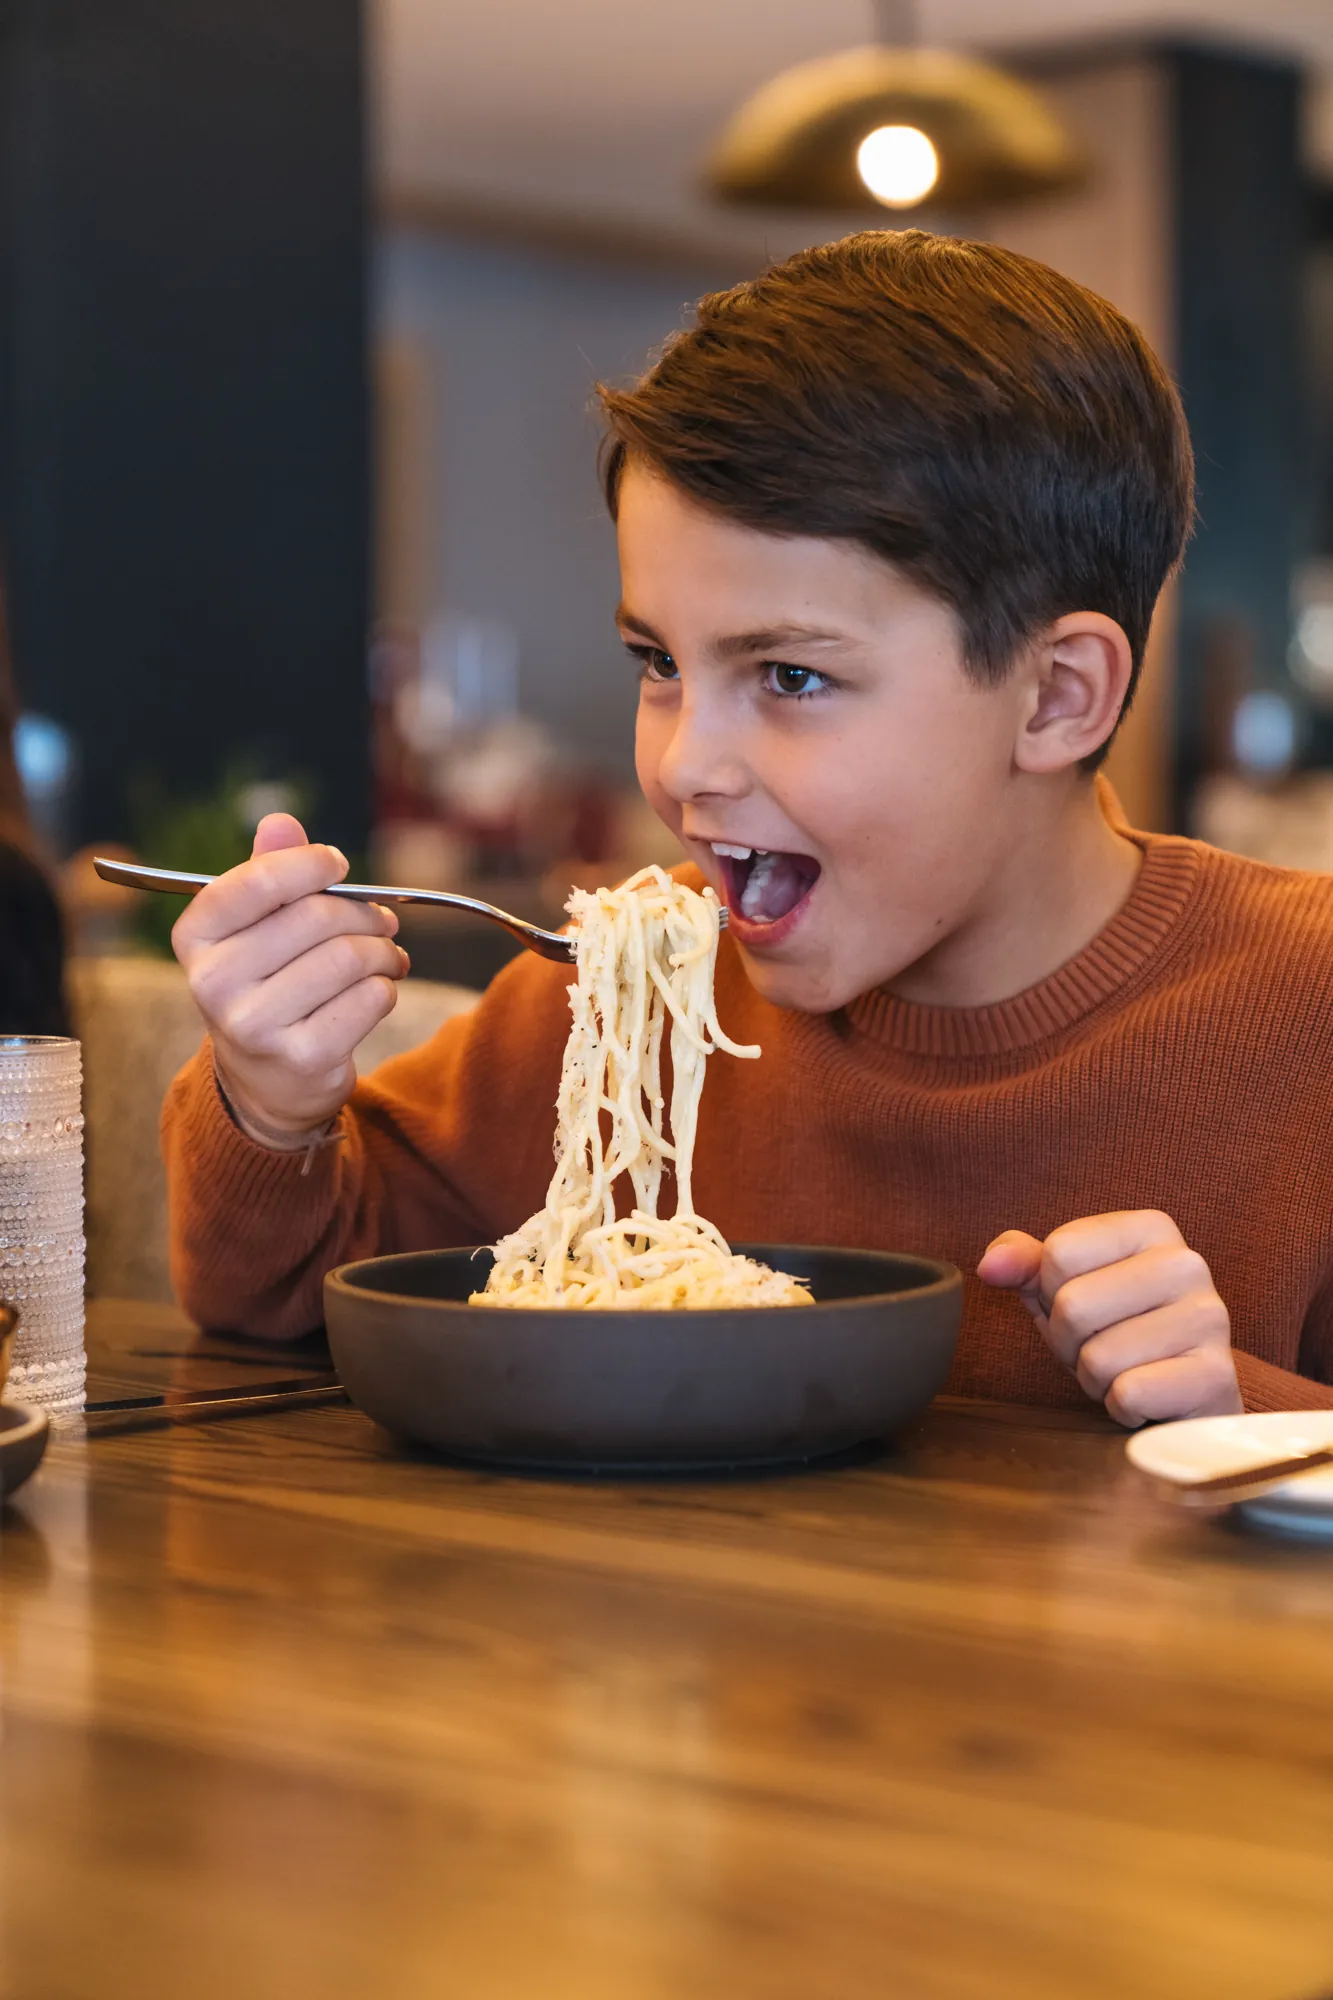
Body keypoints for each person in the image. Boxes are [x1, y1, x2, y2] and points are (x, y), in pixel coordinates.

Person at [162, 229, 1333, 1419]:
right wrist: (271, 1104)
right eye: (657, 660)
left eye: (787, 676)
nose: (682, 763)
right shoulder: (625, 1001)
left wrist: (1246, 1412)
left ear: (1056, 694)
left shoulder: (1305, 1003)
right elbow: (283, 1301)